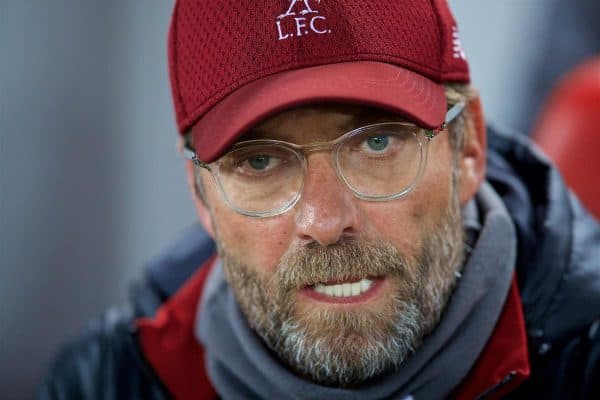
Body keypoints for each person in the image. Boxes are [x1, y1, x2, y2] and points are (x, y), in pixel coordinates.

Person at [39, 1, 600, 399]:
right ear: (202, 196)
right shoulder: (104, 382)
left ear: (468, 148)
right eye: (260, 161)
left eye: (377, 143)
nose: (326, 221)